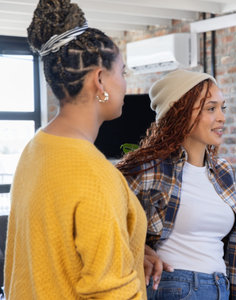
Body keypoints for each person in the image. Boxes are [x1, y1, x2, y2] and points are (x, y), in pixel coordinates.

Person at [4, 0, 147, 299]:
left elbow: (55, 246)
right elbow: (111, 293)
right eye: (122, 72)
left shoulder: (36, 149)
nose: (125, 83)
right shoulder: (95, 176)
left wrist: (132, 250)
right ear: (99, 80)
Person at [116, 69, 236, 300]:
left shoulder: (222, 171)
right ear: (180, 114)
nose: (222, 117)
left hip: (221, 286)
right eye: (210, 108)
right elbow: (106, 227)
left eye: (222, 107)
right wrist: (138, 250)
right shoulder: (147, 168)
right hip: (176, 287)